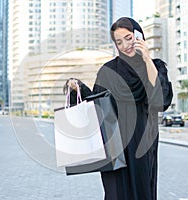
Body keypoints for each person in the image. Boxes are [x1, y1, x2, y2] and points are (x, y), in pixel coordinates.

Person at [65, 17, 173, 200]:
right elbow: (96, 105)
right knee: (116, 194)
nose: (125, 45)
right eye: (119, 42)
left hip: (142, 147)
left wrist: (146, 58)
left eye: (129, 38)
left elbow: (160, 101)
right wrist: (79, 89)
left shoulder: (154, 67)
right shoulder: (108, 71)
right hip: (114, 149)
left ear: (139, 36)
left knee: (142, 193)